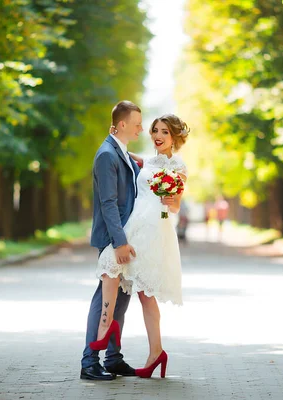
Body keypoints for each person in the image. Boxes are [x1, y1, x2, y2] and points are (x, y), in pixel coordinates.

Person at [94, 114, 189, 379]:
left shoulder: (179, 166)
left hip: (154, 228)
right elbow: (125, 152)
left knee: (143, 291)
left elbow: (177, 205)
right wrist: (115, 134)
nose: (158, 136)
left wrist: (171, 201)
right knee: (111, 266)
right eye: (155, 130)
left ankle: (152, 350)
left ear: (174, 137)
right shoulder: (147, 160)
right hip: (135, 224)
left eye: (165, 132)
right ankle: (115, 333)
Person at [80, 100, 143, 381]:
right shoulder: (107, 155)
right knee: (103, 299)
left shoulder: (122, 153)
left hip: (125, 237)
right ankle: (89, 362)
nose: (141, 128)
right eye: (137, 124)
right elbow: (108, 203)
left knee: (122, 298)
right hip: (112, 239)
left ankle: (113, 358)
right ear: (122, 125)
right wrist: (118, 242)